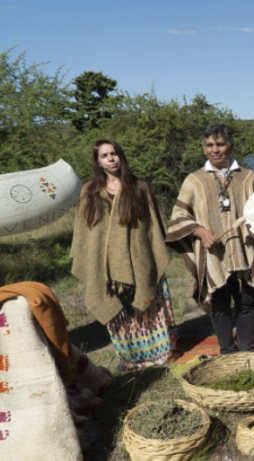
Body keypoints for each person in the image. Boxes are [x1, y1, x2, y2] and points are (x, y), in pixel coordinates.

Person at [70, 139, 177, 370]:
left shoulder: (139, 187)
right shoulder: (89, 190)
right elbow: (84, 232)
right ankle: (129, 358)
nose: (110, 158)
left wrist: (150, 259)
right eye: (104, 155)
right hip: (105, 267)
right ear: (97, 161)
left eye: (114, 153)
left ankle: (157, 356)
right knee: (117, 312)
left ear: (121, 156)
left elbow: (152, 230)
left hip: (139, 261)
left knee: (148, 308)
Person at [166, 124, 254, 355]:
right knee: (219, 303)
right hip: (213, 253)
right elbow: (179, 216)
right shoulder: (195, 181)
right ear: (203, 149)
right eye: (210, 145)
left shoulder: (249, 177)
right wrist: (201, 232)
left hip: (246, 249)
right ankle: (227, 351)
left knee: (247, 301)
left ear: (230, 146)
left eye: (220, 144)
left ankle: (246, 349)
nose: (215, 149)